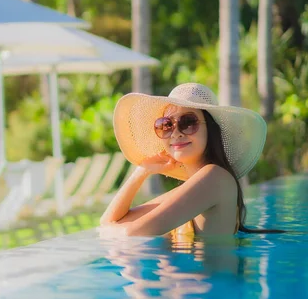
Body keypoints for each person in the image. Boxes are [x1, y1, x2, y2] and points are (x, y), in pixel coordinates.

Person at [99, 83, 282, 236]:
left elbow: (131, 234)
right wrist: (143, 170)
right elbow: (109, 221)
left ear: (210, 130)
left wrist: (109, 229)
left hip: (212, 281)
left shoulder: (215, 178)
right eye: (166, 125)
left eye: (188, 123)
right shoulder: (194, 186)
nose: (176, 133)